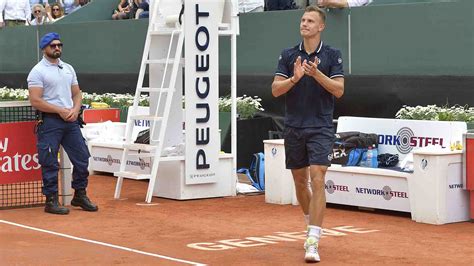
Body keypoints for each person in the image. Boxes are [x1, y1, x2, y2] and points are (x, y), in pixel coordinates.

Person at [271, 6, 344, 262]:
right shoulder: (288, 55)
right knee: (300, 183)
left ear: (321, 26)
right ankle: (310, 222)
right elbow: (275, 90)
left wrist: (316, 73)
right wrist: (295, 78)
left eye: (310, 20)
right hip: (294, 126)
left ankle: (312, 240)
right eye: (303, 20)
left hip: (321, 127)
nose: (305, 24)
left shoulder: (333, 55)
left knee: (317, 177)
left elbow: (339, 90)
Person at [27, 32, 99, 215]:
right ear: (44, 48)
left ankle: (79, 195)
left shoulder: (68, 68)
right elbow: (35, 101)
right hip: (50, 122)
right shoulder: (37, 71)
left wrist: (75, 109)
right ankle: (51, 200)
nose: (57, 48)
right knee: (50, 162)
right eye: (53, 46)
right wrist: (59, 110)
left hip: (71, 122)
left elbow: (77, 93)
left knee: (82, 159)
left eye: (59, 45)